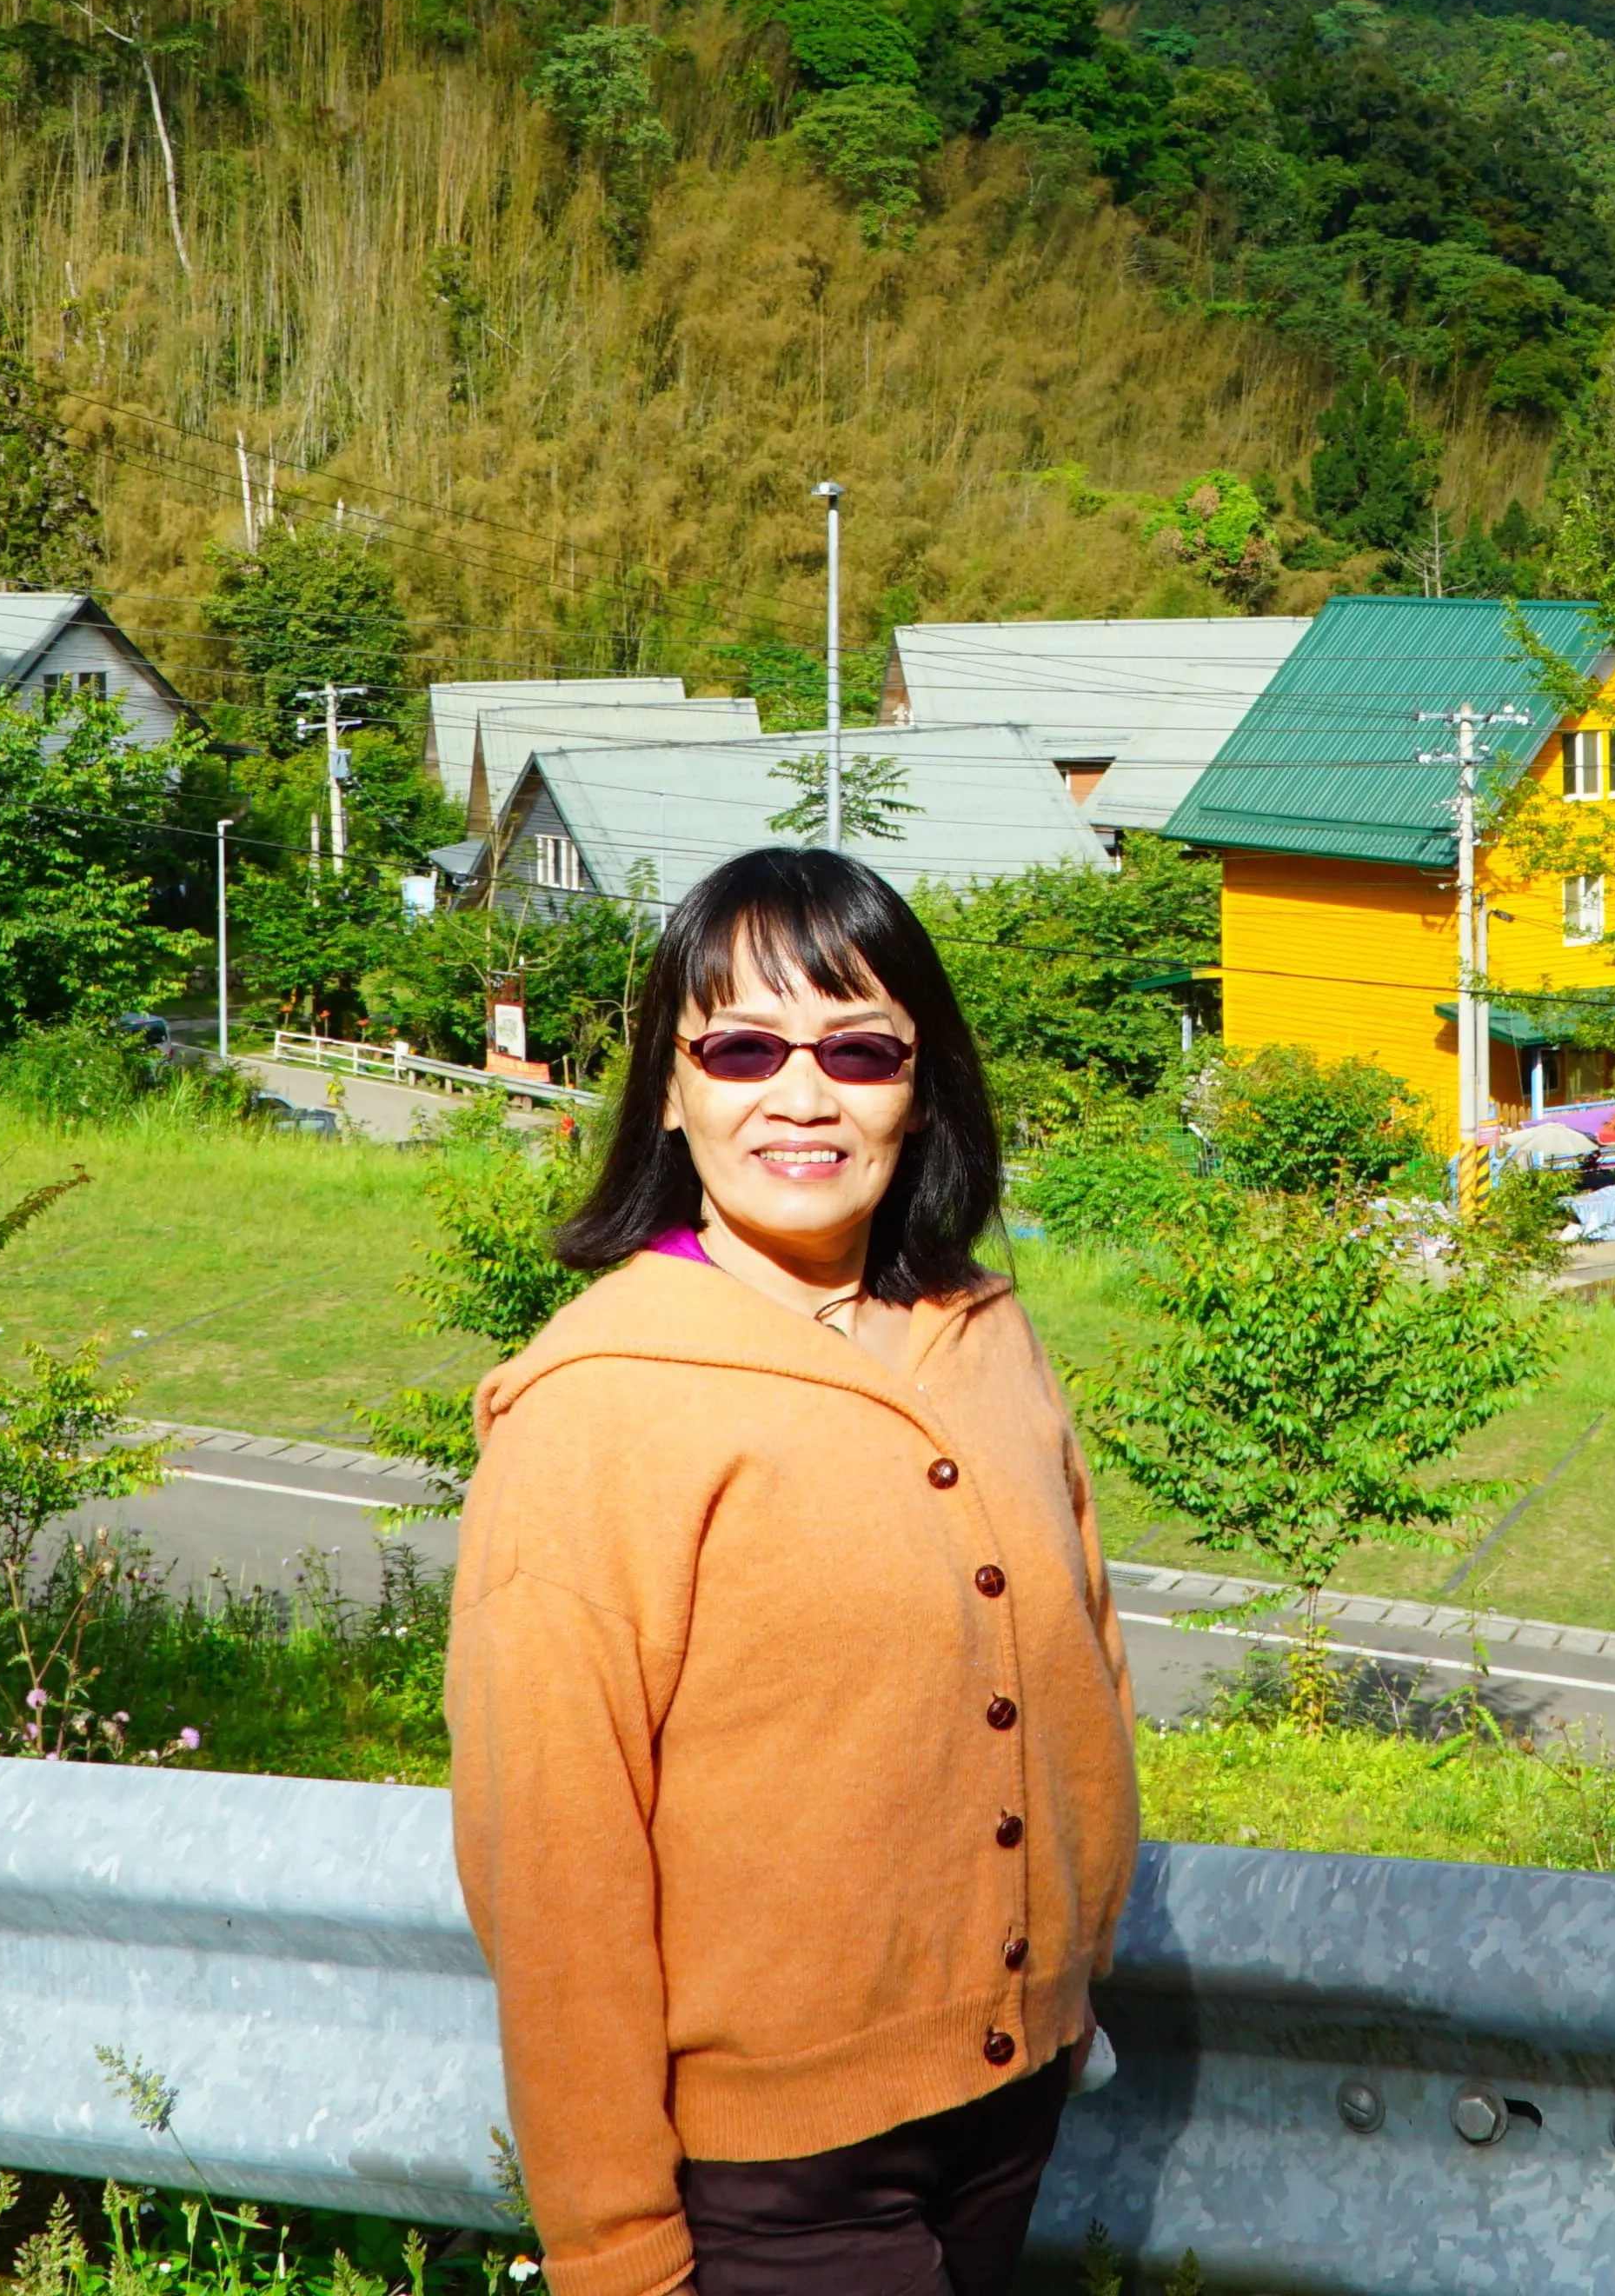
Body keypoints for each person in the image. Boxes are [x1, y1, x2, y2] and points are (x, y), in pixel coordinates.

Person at [447, 848, 1140, 2296]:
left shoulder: (983, 1331)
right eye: (744, 1049)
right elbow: (553, 1861)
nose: (804, 1096)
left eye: (860, 1050)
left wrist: (1074, 1972)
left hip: (1010, 2104)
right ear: (672, 1086)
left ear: (921, 1086)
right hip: (776, 2179)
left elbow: (1086, 1664)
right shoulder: (598, 1403)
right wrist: (615, 2249)